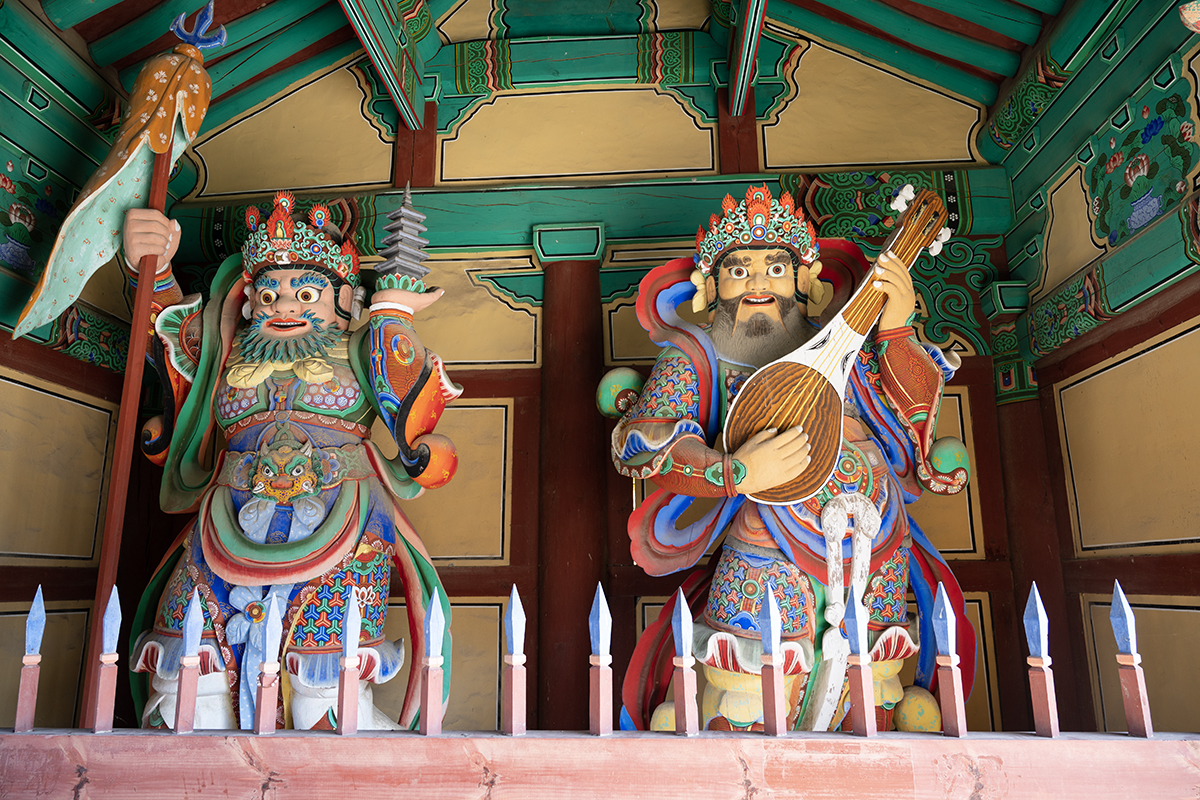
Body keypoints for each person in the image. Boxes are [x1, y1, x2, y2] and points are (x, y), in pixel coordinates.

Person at [611, 185, 973, 732]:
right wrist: (736, 472)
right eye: (738, 270)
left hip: (877, 534)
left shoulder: (846, 344)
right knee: (748, 685)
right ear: (709, 287)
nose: (758, 283)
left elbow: (913, 412)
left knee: (875, 683)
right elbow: (648, 449)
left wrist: (897, 327)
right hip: (766, 533)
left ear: (806, 280)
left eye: (776, 268)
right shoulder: (693, 357)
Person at [122, 191, 459, 730]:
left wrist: (392, 315)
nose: (283, 307)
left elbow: (413, 414)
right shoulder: (226, 351)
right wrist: (155, 267)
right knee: (187, 679)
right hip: (226, 519)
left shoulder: (360, 349)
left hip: (341, 521)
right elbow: (170, 344)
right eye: (268, 294)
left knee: (323, 690)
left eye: (305, 293)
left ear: (344, 300)